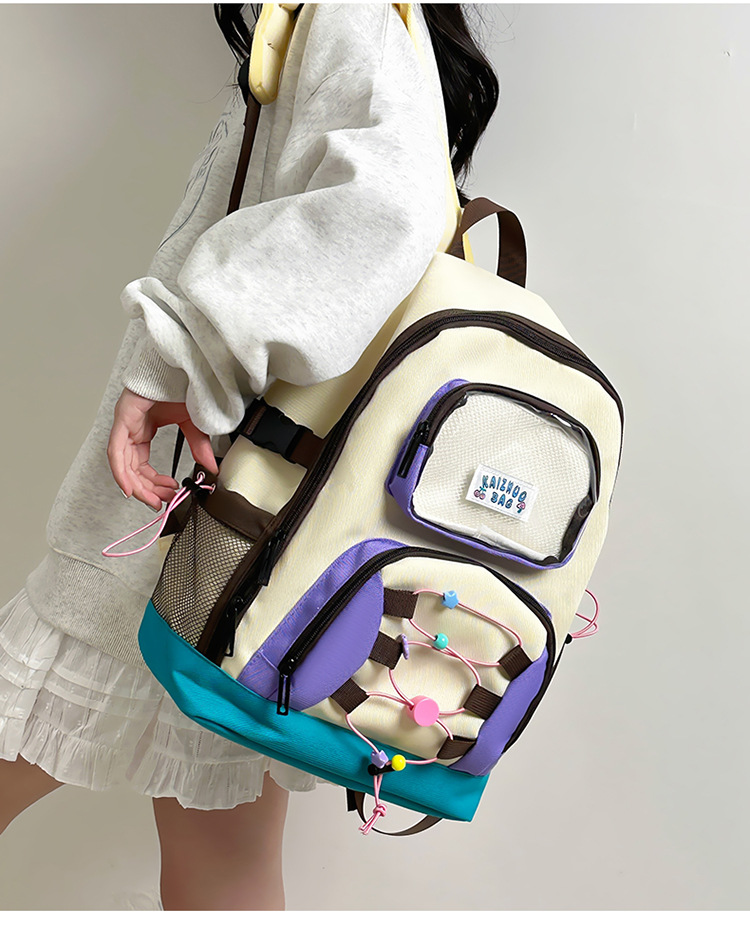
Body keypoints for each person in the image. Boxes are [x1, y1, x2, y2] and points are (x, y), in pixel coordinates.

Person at [0, 2, 499, 911]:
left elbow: (389, 206)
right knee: (223, 864)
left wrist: (193, 359)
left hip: (192, 510)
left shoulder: (343, 9)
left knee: (217, 859)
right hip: (251, 536)